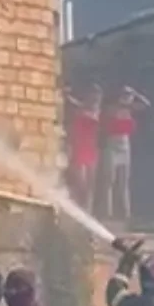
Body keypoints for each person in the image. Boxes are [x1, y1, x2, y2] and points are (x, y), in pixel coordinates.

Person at [99, 86, 149, 222]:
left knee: (123, 182)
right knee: (109, 181)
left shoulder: (130, 110)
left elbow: (146, 104)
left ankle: (126, 213)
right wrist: (123, 102)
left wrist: (136, 93)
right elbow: (106, 117)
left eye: (129, 96)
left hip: (125, 146)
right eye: (126, 95)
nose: (128, 98)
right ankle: (107, 213)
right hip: (112, 146)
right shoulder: (112, 108)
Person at [65, 84, 101, 212]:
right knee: (80, 183)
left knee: (90, 185)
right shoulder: (80, 109)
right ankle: (78, 207)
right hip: (79, 148)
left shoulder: (96, 111)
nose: (96, 99)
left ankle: (87, 210)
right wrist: (67, 94)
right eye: (94, 96)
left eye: (97, 97)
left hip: (90, 150)